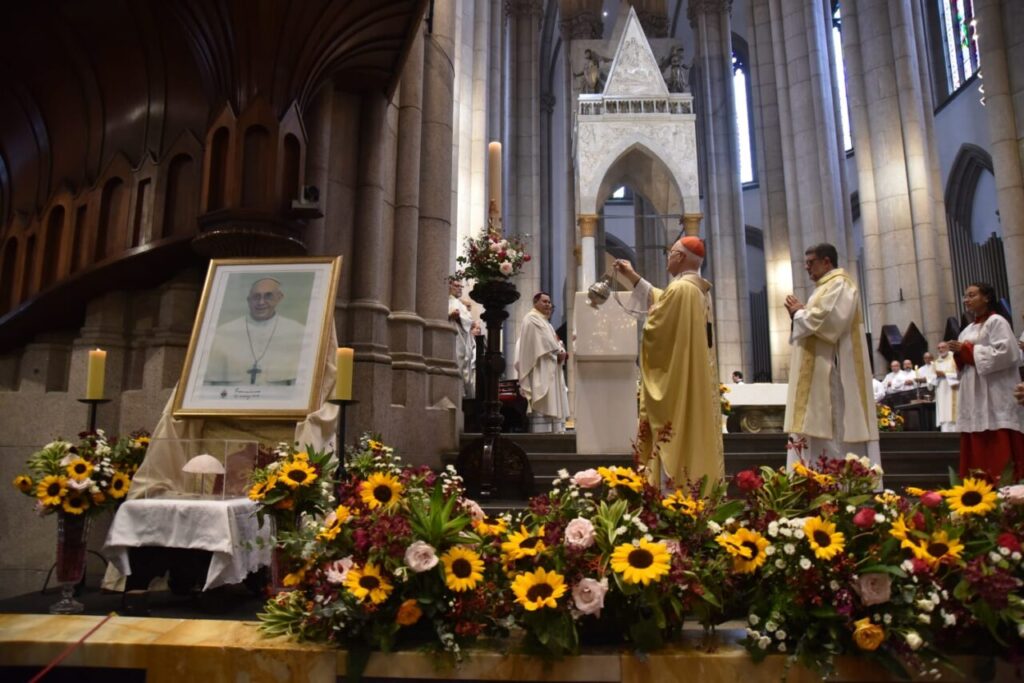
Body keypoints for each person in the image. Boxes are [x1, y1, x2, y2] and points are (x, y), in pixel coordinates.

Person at [612, 236, 724, 489]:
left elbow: (657, 328)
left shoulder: (680, 289)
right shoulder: (695, 289)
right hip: (693, 375)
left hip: (676, 382)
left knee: (672, 433)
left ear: (681, 257)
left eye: (670, 252)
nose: (667, 257)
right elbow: (659, 299)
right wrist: (633, 276)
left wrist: (652, 319)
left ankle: (670, 497)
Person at [783, 243, 880, 473]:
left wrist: (799, 312)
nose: (807, 268)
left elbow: (828, 323)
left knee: (834, 428)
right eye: (805, 263)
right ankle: (813, 480)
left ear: (827, 261)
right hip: (819, 374)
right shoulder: (823, 288)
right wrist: (801, 313)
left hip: (831, 374)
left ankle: (834, 483)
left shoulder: (840, 284)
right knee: (817, 431)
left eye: (811, 262)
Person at [945, 282, 1024, 481]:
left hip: (996, 393)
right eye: (965, 296)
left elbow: (1008, 353)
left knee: (998, 441)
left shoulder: (997, 322)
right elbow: (963, 364)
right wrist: (958, 354)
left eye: (971, 295)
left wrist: (966, 350)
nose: (966, 300)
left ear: (986, 297)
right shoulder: (966, 330)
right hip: (973, 395)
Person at [204, 277, 305, 386]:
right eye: (256, 297)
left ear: (279, 298)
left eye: (268, 296)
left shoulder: (299, 332)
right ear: (248, 300)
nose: (261, 302)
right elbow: (207, 383)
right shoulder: (221, 334)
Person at [515, 292, 569, 432]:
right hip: (540, 367)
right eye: (544, 302)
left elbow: (552, 343)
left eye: (549, 302)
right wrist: (558, 352)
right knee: (544, 398)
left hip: (550, 365)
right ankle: (542, 430)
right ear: (535, 303)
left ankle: (553, 428)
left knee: (552, 398)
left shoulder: (545, 322)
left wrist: (560, 352)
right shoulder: (532, 319)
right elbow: (545, 343)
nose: (548, 305)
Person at [448, 278, 479, 398]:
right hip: (454, 337)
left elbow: (469, 321)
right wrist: (451, 315)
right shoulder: (446, 301)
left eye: (461, 286)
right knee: (457, 362)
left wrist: (462, 318)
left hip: (463, 339)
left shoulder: (460, 304)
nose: (460, 288)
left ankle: (465, 396)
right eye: (457, 286)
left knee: (464, 367)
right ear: (449, 286)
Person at [930, 342, 959, 432]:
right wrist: (936, 376)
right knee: (944, 417)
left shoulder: (955, 359)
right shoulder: (935, 363)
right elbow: (931, 381)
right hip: (941, 392)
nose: (940, 349)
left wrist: (945, 374)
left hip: (953, 390)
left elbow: (960, 375)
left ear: (948, 348)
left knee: (953, 416)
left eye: (943, 347)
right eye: (938, 348)